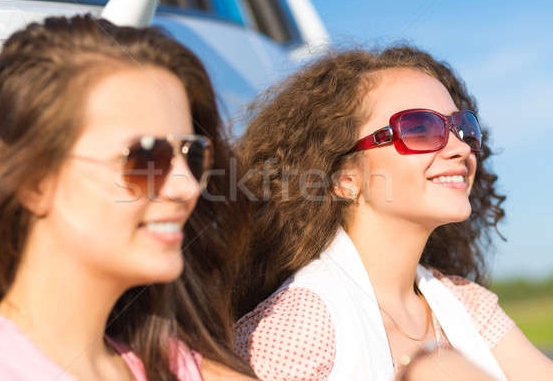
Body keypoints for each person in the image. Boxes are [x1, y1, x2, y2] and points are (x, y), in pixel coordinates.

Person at [0, 15, 254, 380]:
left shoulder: (176, 364)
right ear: (33, 183)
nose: (187, 187)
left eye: (192, 155)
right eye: (145, 157)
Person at [232, 46, 553, 380]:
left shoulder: (466, 304)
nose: (460, 148)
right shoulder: (298, 325)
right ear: (344, 178)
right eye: (419, 129)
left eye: (463, 127)